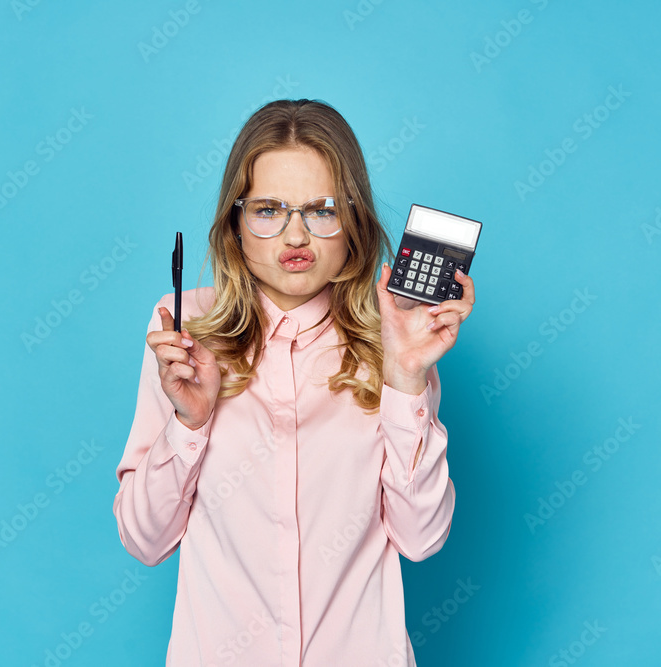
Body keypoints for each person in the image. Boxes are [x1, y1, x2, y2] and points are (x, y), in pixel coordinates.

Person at [112, 98, 475, 666]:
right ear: (235, 222)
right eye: (269, 209)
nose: (296, 235)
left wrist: (406, 375)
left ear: (353, 221)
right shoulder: (185, 328)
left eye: (323, 209)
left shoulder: (392, 340)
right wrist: (190, 422)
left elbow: (422, 538)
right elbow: (145, 540)